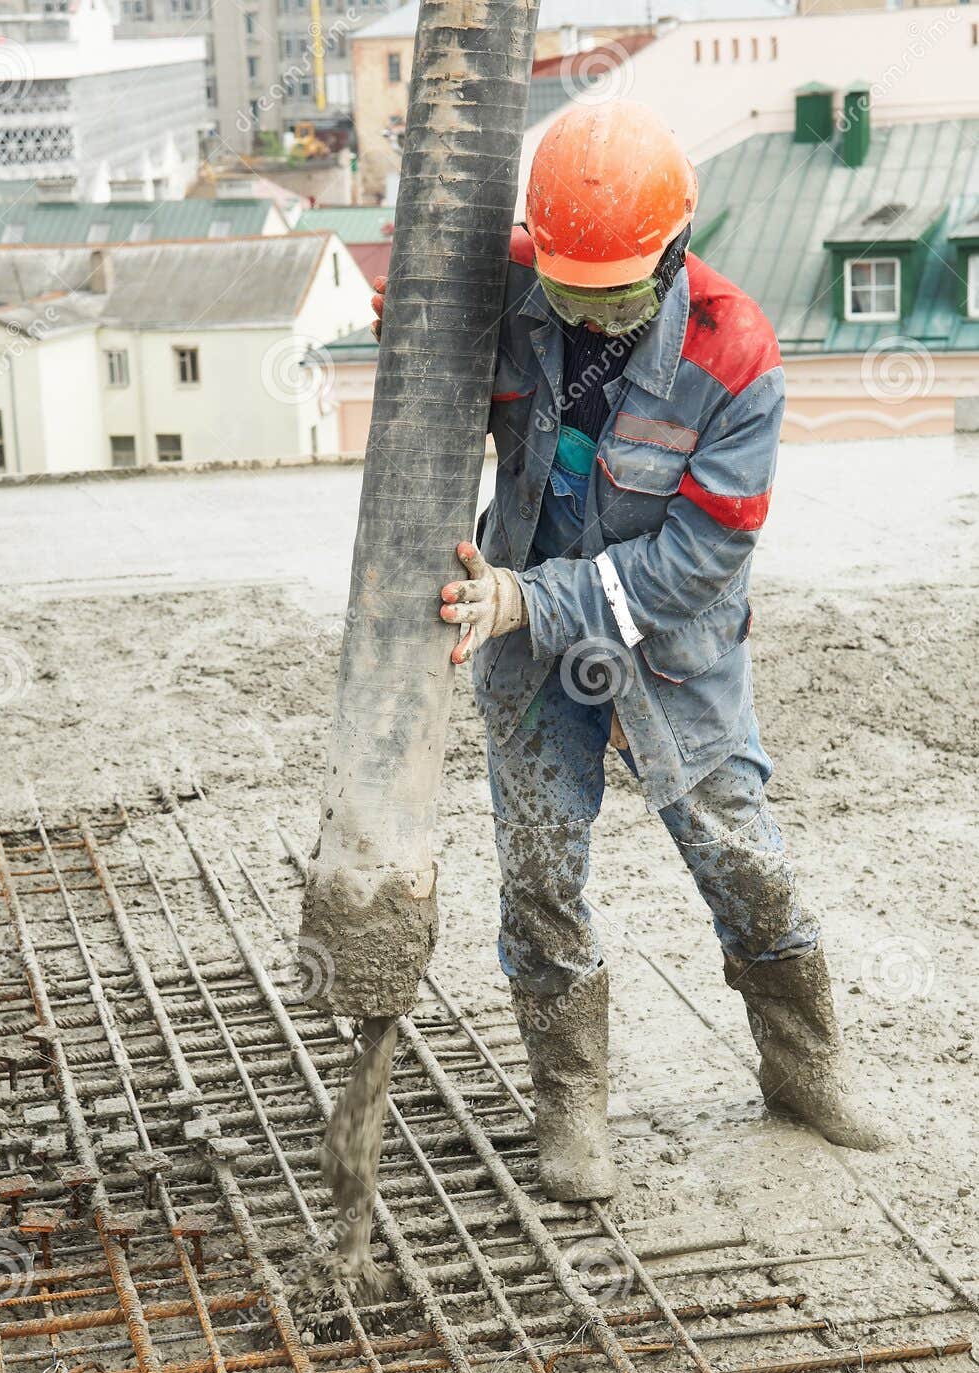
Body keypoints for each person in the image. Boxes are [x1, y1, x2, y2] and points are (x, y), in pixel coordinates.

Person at [374, 99, 886, 1203]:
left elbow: (697, 562)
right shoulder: (513, 284)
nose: (590, 319)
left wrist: (533, 601)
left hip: (664, 646)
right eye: (568, 294)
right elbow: (424, 357)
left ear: (673, 250)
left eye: (612, 297)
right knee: (541, 871)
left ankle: (804, 1067)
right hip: (521, 634)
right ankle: (569, 1106)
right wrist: (407, 319)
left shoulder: (734, 352)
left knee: (739, 853)